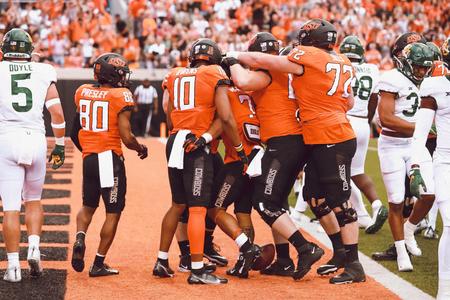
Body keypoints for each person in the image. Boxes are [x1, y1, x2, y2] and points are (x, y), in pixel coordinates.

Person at [226, 19, 366, 284]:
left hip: (324, 136)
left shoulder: (298, 60)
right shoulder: (341, 61)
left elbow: (250, 75)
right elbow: (349, 100)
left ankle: (342, 259)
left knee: (335, 202)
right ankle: (329, 254)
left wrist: (233, 57)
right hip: (318, 135)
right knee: (313, 197)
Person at [223, 34, 324, 280]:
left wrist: (232, 59)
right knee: (277, 202)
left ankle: (305, 247)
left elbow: (244, 81)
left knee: (265, 202)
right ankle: (285, 260)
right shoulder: (286, 71)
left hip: (284, 141)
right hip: (293, 140)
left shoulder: (268, 71)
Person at [153, 38, 248, 285]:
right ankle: (197, 268)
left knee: (177, 205)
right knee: (197, 208)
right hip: (196, 143)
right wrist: (238, 147)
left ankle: (162, 261)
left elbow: (169, 111)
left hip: (175, 140)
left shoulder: (174, 74)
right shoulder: (215, 72)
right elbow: (225, 117)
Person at [70, 53, 148, 277]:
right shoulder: (121, 95)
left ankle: (80, 237)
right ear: (112, 74)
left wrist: (87, 150)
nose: (124, 77)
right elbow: (126, 136)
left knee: (88, 206)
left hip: (89, 158)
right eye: (121, 73)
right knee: (113, 212)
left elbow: (75, 131)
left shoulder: (82, 91)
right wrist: (140, 148)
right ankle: (98, 263)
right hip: (109, 158)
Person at [0, 28, 66, 282]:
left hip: (6, 140)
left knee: (11, 208)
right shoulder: (44, 70)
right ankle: (35, 248)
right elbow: (57, 114)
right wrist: (59, 144)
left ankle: (13, 267)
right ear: (30, 50)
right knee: (34, 200)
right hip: (35, 139)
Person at [374, 39, 435, 272]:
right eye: (417, 66)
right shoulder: (392, 79)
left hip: (415, 145)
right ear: (405, 63)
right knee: (397, 201)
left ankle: (410, 229)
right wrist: (422, 128)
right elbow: (386, 119)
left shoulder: (429, 82)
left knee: (429, 193)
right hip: (392, 145)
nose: (421, 71)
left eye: (424, 67)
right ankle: (401, 251)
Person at [409, 40, 450, 298]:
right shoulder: (436, 85)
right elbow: (420, 134)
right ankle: (444, 290)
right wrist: (415, 166)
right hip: (446, 161)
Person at [339, 35, 388, 234]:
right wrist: (365, 120)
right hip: (361, 123)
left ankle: (349, 213)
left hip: (344, 120)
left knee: (336, 170)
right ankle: (374, 207)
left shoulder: (340, 65)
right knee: (356, 171)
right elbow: (374, 98)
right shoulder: (373, 69)